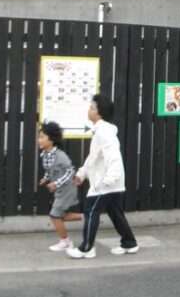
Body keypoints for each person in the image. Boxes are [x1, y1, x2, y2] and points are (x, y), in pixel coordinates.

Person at [66, 94, 139, 259]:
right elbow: (93, 157)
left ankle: (86, 248)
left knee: (91, 211)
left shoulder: (104, 132)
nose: (89, 110)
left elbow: (114, 156)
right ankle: (129, 243)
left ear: (99, 113)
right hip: (109, 182)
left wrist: (110, 179)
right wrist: (82, 174)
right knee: (115, 212)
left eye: (92, 108)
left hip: (105, 183)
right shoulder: (100, 131)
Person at [37, 120, 83, 251]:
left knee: (54, 216)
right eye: (39, 137)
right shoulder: (45, 155)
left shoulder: (60, 156)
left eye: (42, 137)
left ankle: (66, 242)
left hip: (67, 189)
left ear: (51, 140)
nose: (39, 140)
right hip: (60, 189)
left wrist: (55, 183)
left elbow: (70, 171)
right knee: (59, 216)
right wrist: (45, 179)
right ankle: (88, 217)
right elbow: (50, 170)